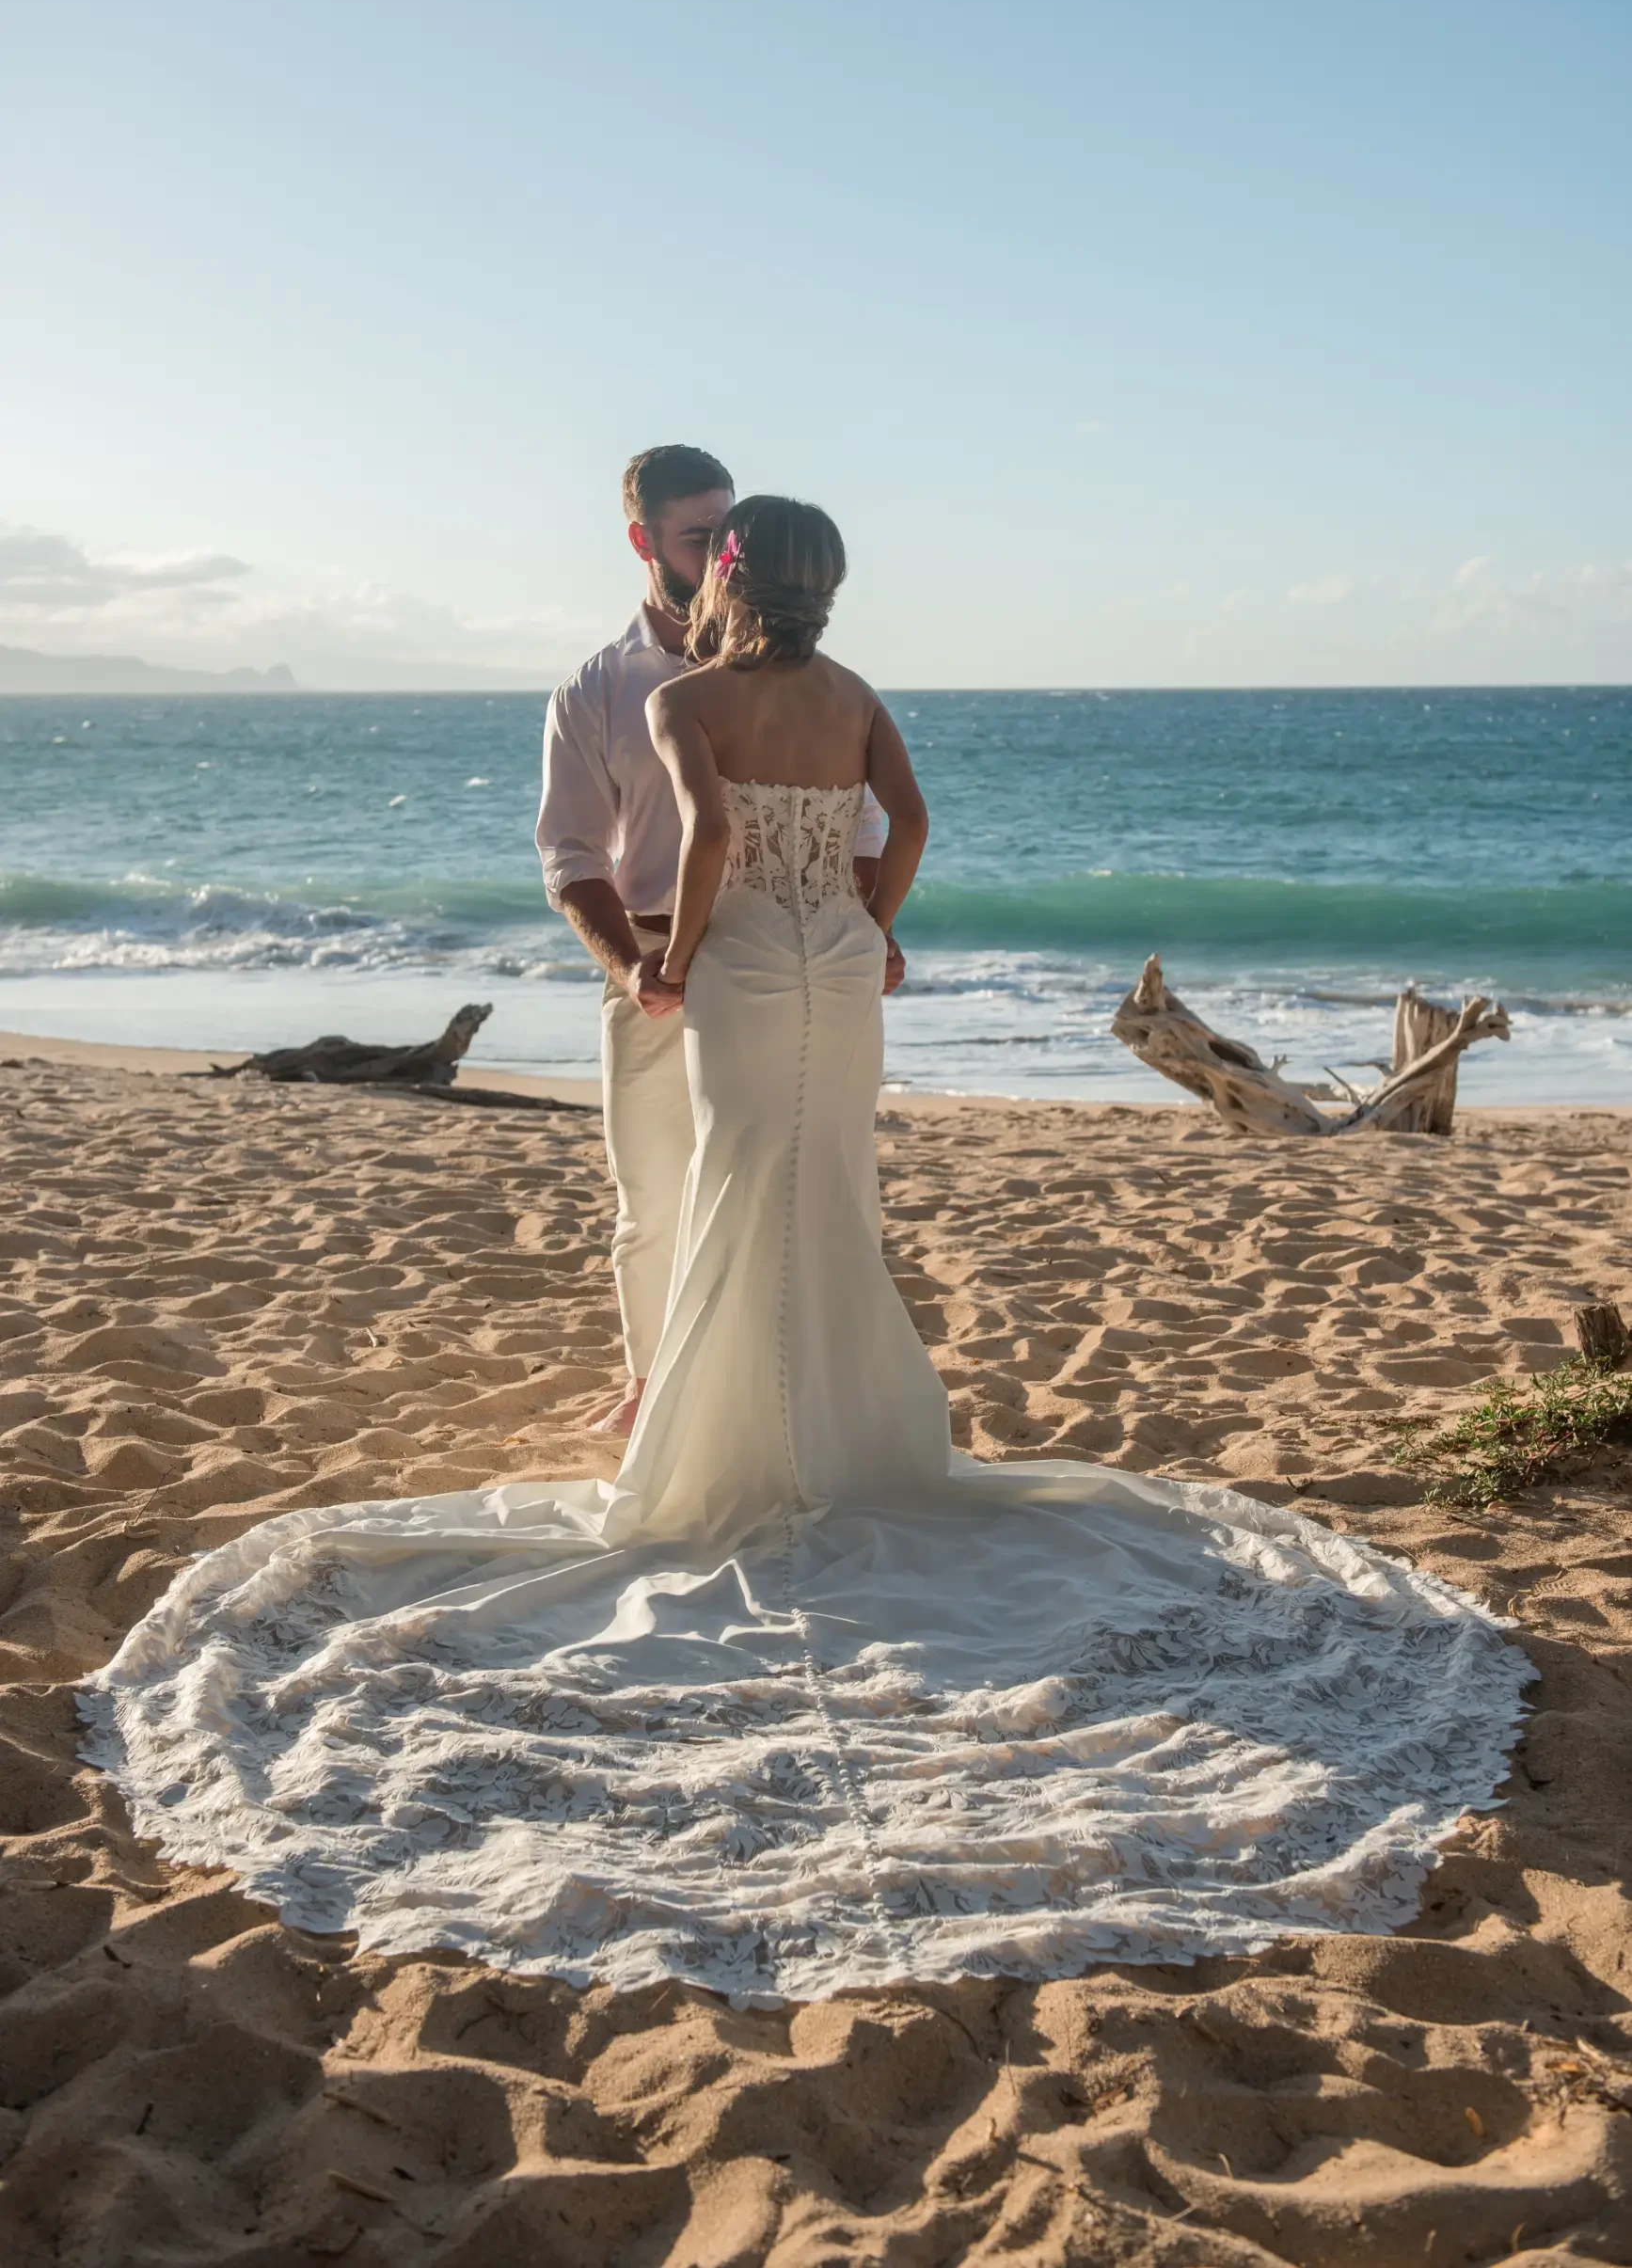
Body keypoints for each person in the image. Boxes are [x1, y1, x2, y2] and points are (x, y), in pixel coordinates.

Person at [84, 498, 1531, 2006]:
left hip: (737, 961)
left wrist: (666, 952)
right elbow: (905, 824)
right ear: (824, 588)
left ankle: (725, 1446)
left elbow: (705, 833)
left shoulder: (680, 695)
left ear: (729, 577)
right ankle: (843, 1441)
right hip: (839, 959)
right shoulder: (852, 697)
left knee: (733, 1185)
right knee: (825, 1193)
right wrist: (869, 922)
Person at [534, 446, 896, 1436]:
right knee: (654, 1196)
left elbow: (868, 827)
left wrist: (863, 929)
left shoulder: (813, 679)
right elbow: (570, 855)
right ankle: (655, 1389)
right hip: (657, 962)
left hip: (786, 963)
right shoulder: (599, 690)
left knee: (799, 1184)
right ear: (642, 540)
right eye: (700, 538)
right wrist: (636, 970)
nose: (725, 555)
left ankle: (796, 1400)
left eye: (729, 532)